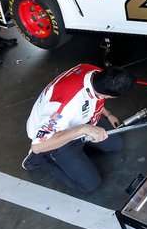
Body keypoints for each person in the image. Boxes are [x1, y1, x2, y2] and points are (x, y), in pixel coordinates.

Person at [23, 64, 135, 194]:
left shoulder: (95, 73)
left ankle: (77, 152)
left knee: (116, 145)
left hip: (83, 120)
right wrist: (83, 129)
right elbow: (38, 146)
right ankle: (41, 159)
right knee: (90, 184)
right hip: (55, 137)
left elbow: (95, 98)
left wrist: (107, 114)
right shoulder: (63, 107)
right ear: (108, 96)